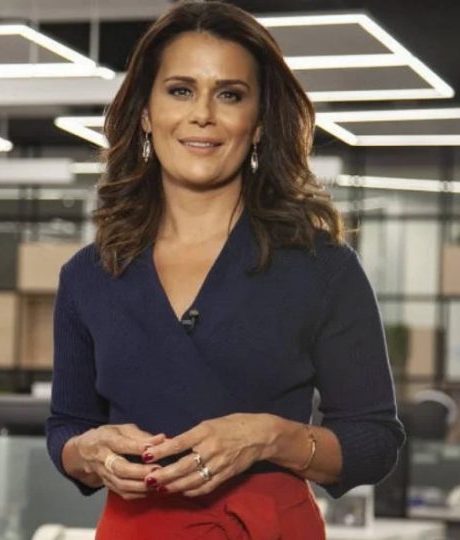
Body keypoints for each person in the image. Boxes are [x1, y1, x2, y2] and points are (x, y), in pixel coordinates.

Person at [46, 1, 405, 538]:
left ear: (258, 123)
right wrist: (87, 451)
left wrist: (270, 437)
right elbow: (67, 427)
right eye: (180, 90)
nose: (203, 114)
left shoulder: (322, 268)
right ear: (145, 112)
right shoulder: (88, 276)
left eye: (230, 95)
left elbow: (375, 441)